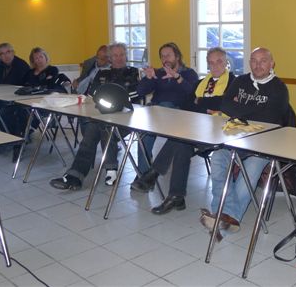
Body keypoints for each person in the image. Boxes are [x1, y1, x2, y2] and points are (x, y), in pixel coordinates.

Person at [199, 47, 290, 238]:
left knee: (249, 172)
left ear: (271, 63)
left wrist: (240, 109)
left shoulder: (279, 88)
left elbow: (270, 117)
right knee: (217, 160)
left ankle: (223, 217)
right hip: (234, 138)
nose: (258, 65)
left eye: (263, 60)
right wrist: (252, 110)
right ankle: (225, 217)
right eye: (254, 60)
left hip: (264, 143)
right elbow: (225, 105)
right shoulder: (240, 81)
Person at [131, 47, 235, 214]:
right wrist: (205, 106)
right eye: (211, 63)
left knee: (180, 139)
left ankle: (154, 175)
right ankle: (175, 196)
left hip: (220, 133)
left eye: (219, 62)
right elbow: (187, 104)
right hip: (196, 130)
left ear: (226, 63)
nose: (215, 66)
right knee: (181, 144)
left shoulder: (234, 83)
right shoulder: (202, 82)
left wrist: (199, 102)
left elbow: (224, 104)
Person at [50, 43, 140, 190]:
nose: (119, 58)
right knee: (95, 127)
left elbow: (134, 97)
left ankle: (81, 175)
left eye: (122, 55)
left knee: (101, 127)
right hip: (104, 116)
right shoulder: (102, 73)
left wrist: (111, 98)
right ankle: (82, 175)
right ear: (110, 58)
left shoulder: (134, 72)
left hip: (127, 118)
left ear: (126, 56)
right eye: (115, 55)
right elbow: (93, 96)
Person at [132, 42, 198, 187]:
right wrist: (149, 78)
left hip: (179, 115)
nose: (165, 59)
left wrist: (177, 77)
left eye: (168, 55)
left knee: (164, 106)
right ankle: (143, 175)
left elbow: (193, 94)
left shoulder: (189, 73)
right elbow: (140, 92)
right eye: (162, 56)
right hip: (156, 113)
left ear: (177, 57)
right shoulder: (159, 73)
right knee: (144, 133)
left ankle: (146, 176)